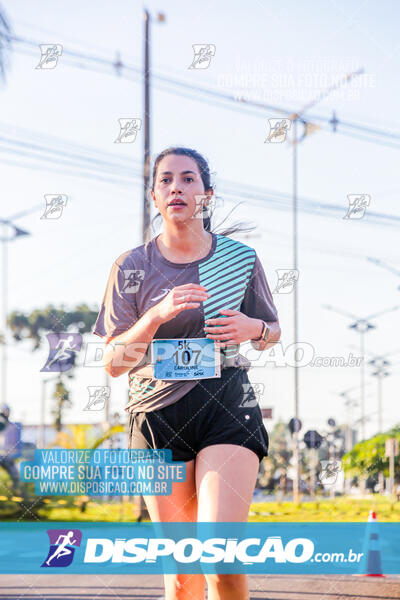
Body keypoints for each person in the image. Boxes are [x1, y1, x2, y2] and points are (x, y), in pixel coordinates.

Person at [94, 147, 281, 600]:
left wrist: (253, 327)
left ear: (207, 194)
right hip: (156, 415)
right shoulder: (131, 267)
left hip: (227, 404)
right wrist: (156, 315)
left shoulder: (239, 259)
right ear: (155, 197)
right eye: (165, 180)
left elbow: (272, 331)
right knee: (182, 580)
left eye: (188, 178)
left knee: (220, 560)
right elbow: (115, 363)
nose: (176, 186)